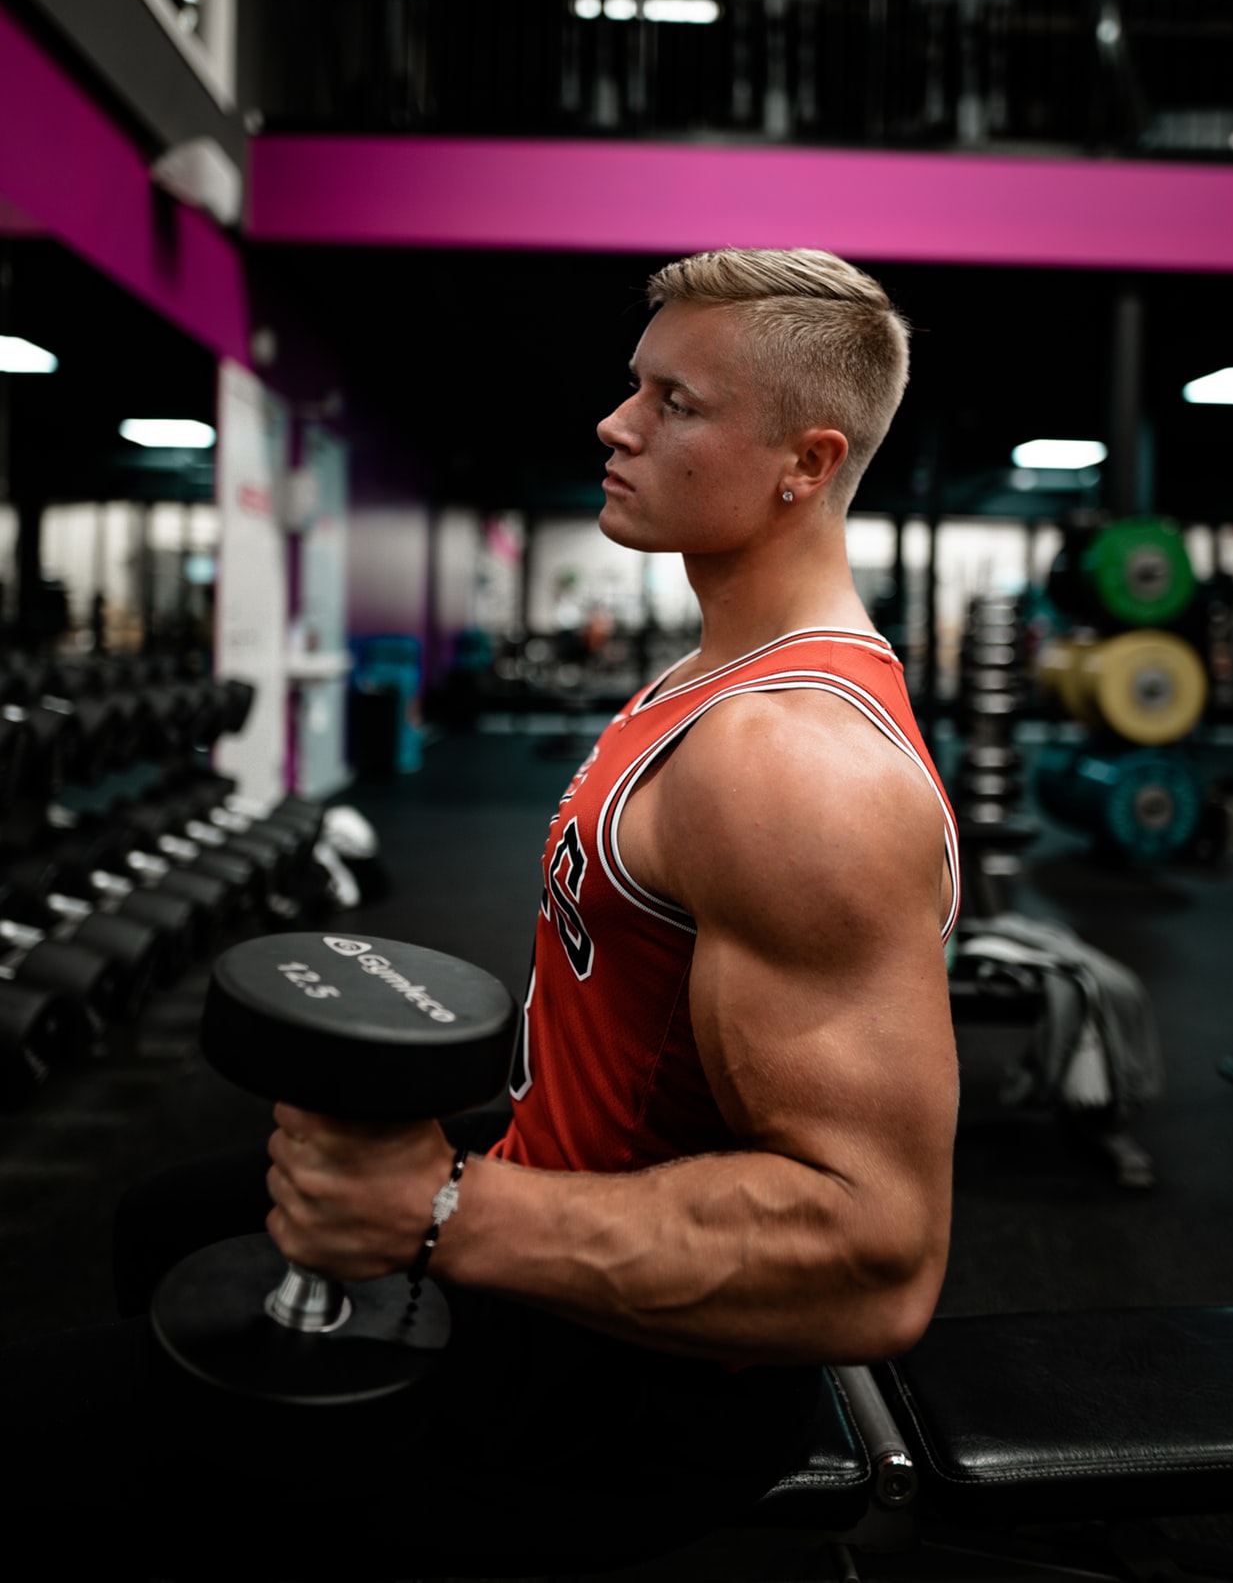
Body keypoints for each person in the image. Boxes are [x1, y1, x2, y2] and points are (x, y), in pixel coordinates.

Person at [4, 249, 959, 1579]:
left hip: (634, 1392)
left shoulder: (791, 767)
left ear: (806, 462)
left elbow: (873, 1254)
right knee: (166, 1220)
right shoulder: (708, 672)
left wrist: (443, 1209)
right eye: (635, 385)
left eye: (675, 402)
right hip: (560, 1186)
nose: (614, 424)